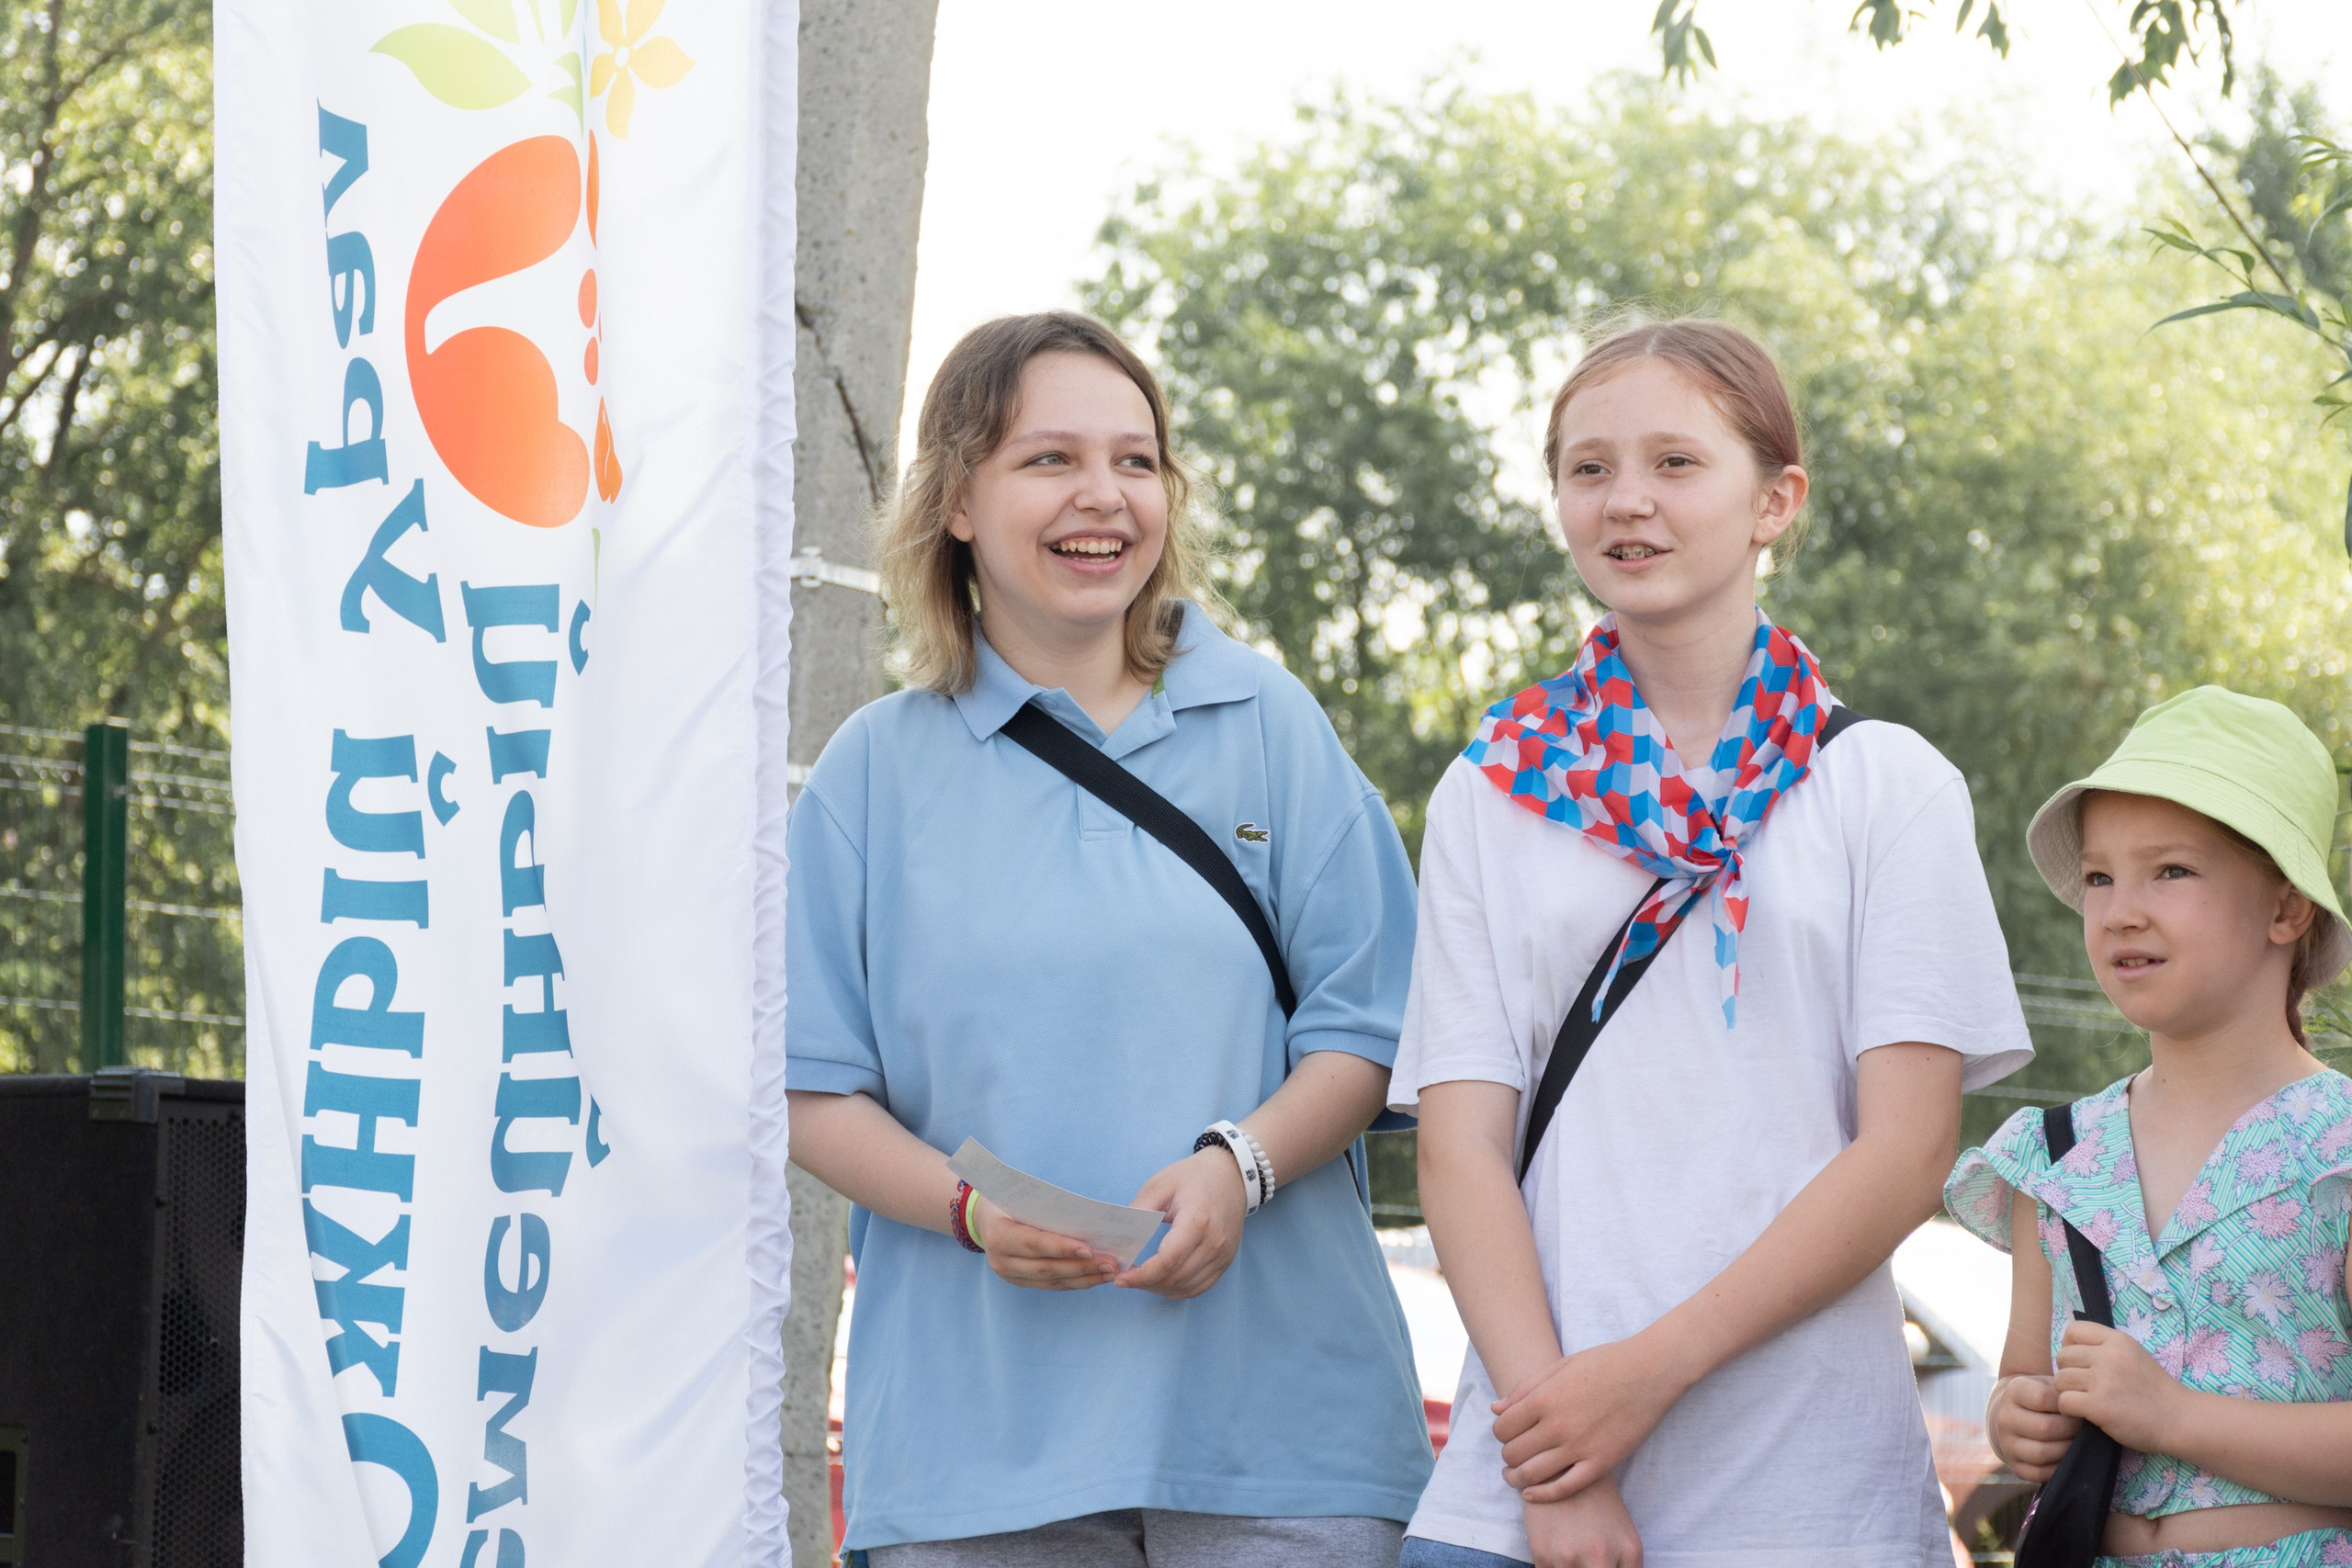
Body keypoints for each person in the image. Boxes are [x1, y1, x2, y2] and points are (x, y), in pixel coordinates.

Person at [784, 310, 1431, 1566]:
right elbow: (815, 1090)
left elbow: (1373, 1024)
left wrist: (1238, 1164)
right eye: (1050, 459)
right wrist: (970, 1211)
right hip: (977, 1458)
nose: (1106, 496)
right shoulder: (874, 772)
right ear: (959, 499)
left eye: (1137, 460)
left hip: (1286, 1442)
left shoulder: (1269, 720)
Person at [1388, 317, 2035, 1568]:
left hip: (1810, 1496)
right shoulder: (1493, 787)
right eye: (1588, 467)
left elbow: (1907, 1148)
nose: (1626, 498)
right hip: (1519, 1491)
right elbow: (1460, 1144)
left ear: (1774, 500)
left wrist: (1643, 1375)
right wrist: (1557, 1454)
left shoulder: (1888, 786)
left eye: (1676, 463)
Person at [1948, 686, 2352, 1567]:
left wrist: (2173, 1415)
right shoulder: (2053, 1155)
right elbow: (2027, 1378)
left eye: (2170, 870)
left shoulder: (2341, 1150)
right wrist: (2017, 1419)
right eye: (2100, 876)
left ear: (2288, 910)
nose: (2121, 909)